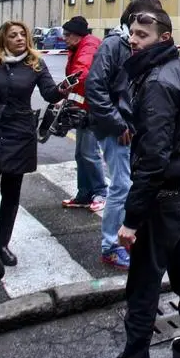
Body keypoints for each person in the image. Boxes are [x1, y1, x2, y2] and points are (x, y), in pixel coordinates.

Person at [97, 9, 180, 358]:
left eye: (142, 35)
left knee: (143, 293)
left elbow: (153, 158)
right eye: (131, 33)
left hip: (162, 199)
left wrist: (131, 219)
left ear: (164, 38)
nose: (133, 40)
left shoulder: (159, 81)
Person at [85, 0, 165, 271]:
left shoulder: (141, 45)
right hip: (117, 130)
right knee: (121, 186)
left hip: (133, 129)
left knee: (131, 184)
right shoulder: (113, 45)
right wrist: (117, 123)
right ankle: (111, 246)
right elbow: (94, 87)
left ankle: (126, 236)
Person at [0, 21, 59, 268]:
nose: (19, 38)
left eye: (22, 34)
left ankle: (3, 245)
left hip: (20, 132)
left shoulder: (35, 63)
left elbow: (50, 94)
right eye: (13, 35)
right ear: (3, 39)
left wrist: (65, 89)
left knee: (11, 193)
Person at [60, 16, 105, 212]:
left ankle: (101, 193)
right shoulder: (77, 48)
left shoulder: (88, 47)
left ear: (78, 35)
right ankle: (85, 193)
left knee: (89, 152)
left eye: (68, 35)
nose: (64, 38)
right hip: (84, 106)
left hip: (93, 107)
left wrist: (62, 88)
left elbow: (82, 72)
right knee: (81, 153)